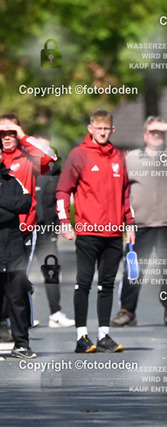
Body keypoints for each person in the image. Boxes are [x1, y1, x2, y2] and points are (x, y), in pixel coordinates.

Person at [56, 109, 135, 353]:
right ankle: (81, 337)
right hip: (88, 231)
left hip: (113, 233)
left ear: (112, 130)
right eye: (98, 128)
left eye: (106, 129)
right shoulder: (78, 155)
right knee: (83, 283)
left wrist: (130, 223)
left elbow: (125, 194)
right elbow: (62, 190)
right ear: (90, 129)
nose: (102, 133)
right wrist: (64, 221)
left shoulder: (118, 156)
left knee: (107, 284)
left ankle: (103, 336)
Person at [111, 117, 167, 328]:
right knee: (133, 270)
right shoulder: (131, 159)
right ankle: (127, 311)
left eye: (160, 132)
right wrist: (125, 222)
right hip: (140, 225)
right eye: (152, 131)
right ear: (145, 135)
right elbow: (120, 190)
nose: (156, 135)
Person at [0, 114, 58, 335]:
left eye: (11, 133)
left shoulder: (28, 158)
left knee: (17, 280)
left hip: (23, 231)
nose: (7, 137)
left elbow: (50, 159)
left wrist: (23, 136)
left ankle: (19, 328)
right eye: (2, 133)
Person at [32, 133, 75, 328]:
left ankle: (55, 314)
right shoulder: (23, 169)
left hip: (46, 231)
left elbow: (60, 200)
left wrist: (59, 224)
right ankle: (23, 316)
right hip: (25, 230)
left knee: (51, 271)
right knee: (18, 275)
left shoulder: (55, 172)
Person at [0, 149, 36, 358]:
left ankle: (22, 344)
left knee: (18, 300)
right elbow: (11, 209)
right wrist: (9, 206)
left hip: (13, 251)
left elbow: (25, 203)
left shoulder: (12, 180)